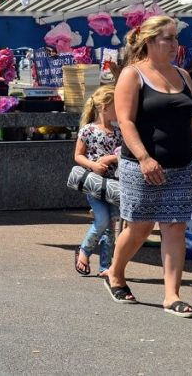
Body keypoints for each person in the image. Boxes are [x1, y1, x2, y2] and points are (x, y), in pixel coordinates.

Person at [104, 15, 192, 317]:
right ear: (149, 41)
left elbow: (188, 118)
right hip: (141, 165)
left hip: (181, 165)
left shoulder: (183, 76)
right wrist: (145, 157)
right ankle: (115, 273)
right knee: (140, 227)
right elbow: (125, 121)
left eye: (176, 38)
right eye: (168, 38)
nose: (175, 44)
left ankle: (172, 295)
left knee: (175, 227)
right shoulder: (133, 75)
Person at [73, 85, 121, 277]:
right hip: (93, 183)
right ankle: (84, 251)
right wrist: (93, 166)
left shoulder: (118, 132)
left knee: (112, 225)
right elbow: (78, 156)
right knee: (102, 220)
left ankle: (105, 266)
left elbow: (123, 154)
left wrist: (111, 159)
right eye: (115, 105)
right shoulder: (88, 130)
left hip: (114, 184)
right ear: (103, 106)